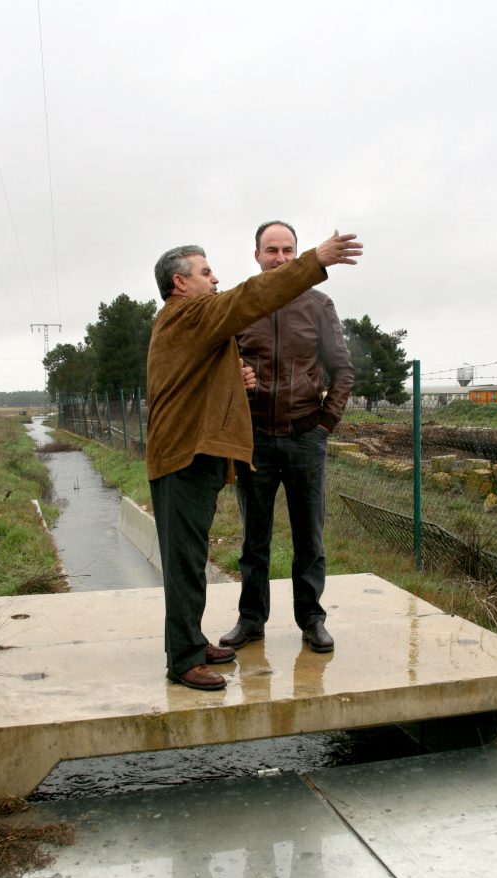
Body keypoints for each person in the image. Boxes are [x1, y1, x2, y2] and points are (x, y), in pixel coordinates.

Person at [147, 230, 362, 691]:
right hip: (189, 454)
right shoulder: (191, 313)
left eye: (290, 251)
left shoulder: (198, 316)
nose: (215, 279)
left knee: (198, 558)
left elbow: (199, 372)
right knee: (190, 562)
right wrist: (315, 259)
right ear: (180, 283)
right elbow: (249, 298)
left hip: (244, 446)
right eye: (206, 272)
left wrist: (238, 377)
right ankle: (185, 658)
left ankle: (197, 641)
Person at [220, 221, 355, 655]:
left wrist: (324, 425)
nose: (280, 258)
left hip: (305, 438)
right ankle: (251, 620)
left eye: (288, 250)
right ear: (256, 255)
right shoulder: (240, 304)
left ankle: (312, 620)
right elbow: (220, 365)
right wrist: (235, 381)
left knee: (309, 539)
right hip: (255, 440)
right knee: (253, 540)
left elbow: (343, 370)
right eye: (271, 250)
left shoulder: (318, 304)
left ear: (297, 254)